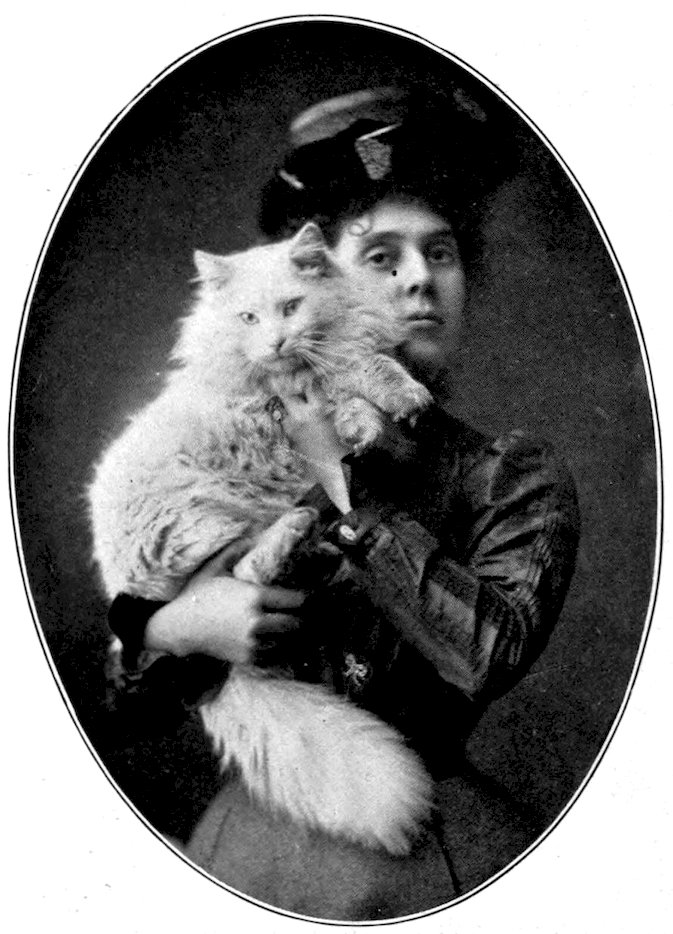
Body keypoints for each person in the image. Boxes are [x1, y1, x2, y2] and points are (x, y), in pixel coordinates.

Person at [106, 87, 580, 920]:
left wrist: (342, 480)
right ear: (321, 275)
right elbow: (129, 704)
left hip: (416, 850)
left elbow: (486, 654)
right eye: (381, 256)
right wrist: (171, 626)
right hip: (249, 837)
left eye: (441, 253)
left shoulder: (505, 473)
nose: (418, 280)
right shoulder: (241, 438)